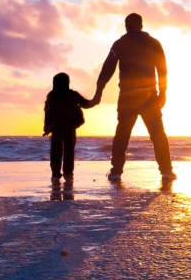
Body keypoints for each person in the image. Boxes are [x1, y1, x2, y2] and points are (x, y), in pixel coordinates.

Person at [93, 12, 174, 181]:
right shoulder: (154, 43)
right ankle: (166, 170)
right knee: (158, 134)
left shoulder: (120, 44)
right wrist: (163, 93)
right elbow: (162, 69)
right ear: (141, 26)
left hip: (128, 97)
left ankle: (116, 171)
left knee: (122, 133)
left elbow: (107, 68)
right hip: (149, 96)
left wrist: (99, 91)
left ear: (126, 26)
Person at [43, 72, 96, 184]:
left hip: (56, 126)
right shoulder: (72, 94)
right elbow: (85, 104)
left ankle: (56, 174)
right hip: (70, 126)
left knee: (56, 151)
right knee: (69, 151)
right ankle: (68, 174)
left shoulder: (52, 95)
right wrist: (95, 100)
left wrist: (46, 126)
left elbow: (47, 111)